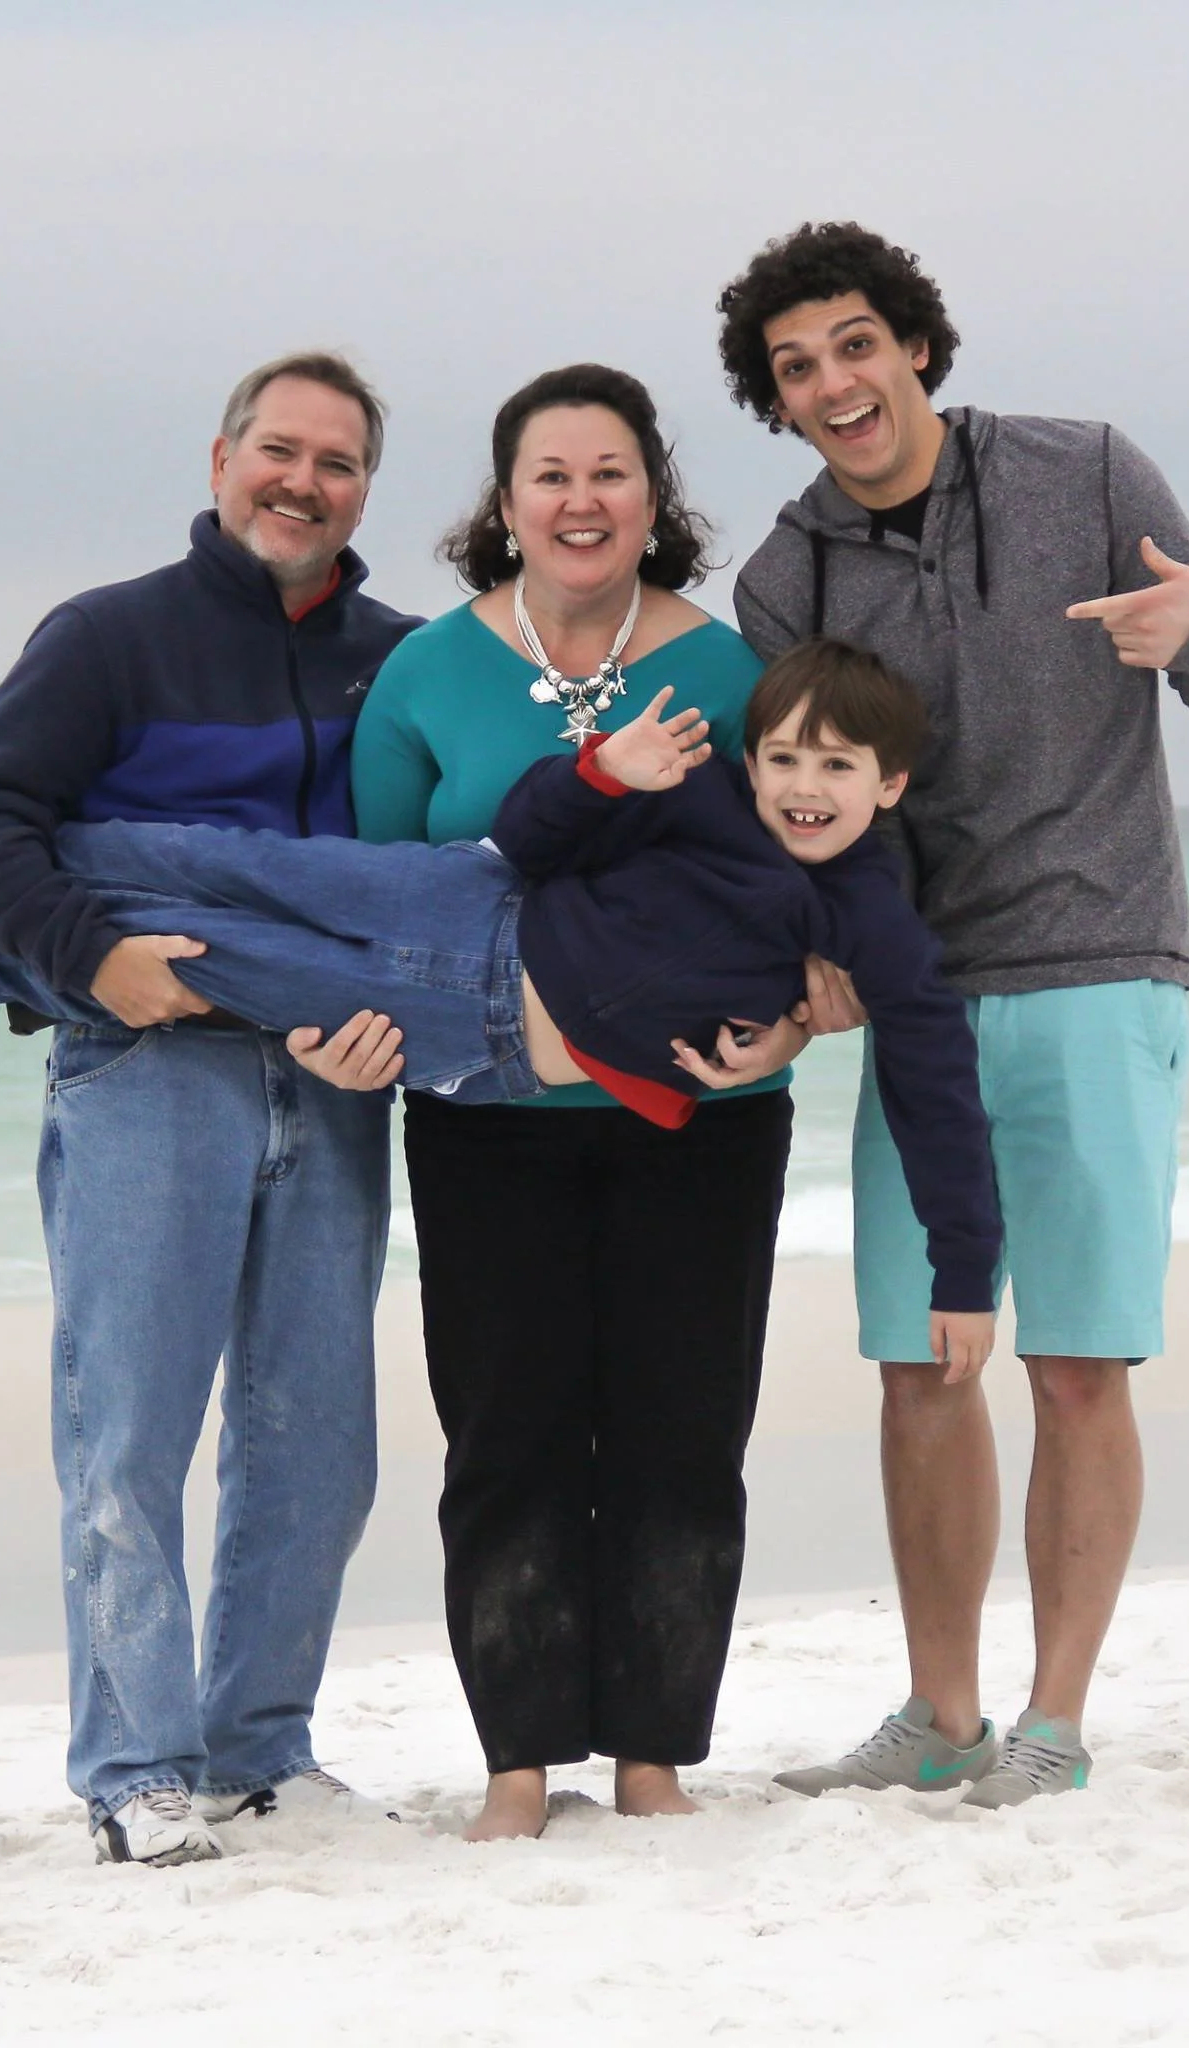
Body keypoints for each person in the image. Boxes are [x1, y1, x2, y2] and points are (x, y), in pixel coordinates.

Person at [0, 354, 423, 1866]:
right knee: (130, 1434)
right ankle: (135, 1766)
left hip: (331, 1084)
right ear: (222, 457)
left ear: (367, 488)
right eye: (277, 451)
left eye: (336, 463)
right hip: (145, 1071)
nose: (302, 482)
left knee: (316, 1444)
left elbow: (420, 872)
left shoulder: (397, 662)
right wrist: (91, 958)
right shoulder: (108, 636)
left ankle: (260, 1748)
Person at [717, 221, 1189, 1806]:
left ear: (911, 344)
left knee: (1077, 1364)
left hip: (1101, 967)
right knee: (919, 1364)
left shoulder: (1087, 473)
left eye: (851, 344)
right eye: (794, 368)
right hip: (924, 1002)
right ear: (777, 402)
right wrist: (808, 971)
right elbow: (804, 817)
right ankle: (941, 1709)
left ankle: (1053, 1720)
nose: (832, 383)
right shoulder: (784, 576)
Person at [0, 647, 1002, 1383]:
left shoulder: (871, 930)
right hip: (464, 899)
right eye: (787, 757)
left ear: (888, 785)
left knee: (209, 954)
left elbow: (938, 1096)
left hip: (476, 1032)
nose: (806, 786)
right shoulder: (697, 799)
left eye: (840, 767)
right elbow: (538, 836)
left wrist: (962, 1279)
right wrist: (605, 767)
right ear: (753, 761)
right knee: (211, 861)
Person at [337, 363, 814, 1840]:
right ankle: (519, 1767)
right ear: (504, 503)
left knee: (681, 1430)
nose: (580, 499)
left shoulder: (730, 672)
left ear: (652, 499)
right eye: (550, 473)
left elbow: (811, 863)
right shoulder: (426, 674)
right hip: (485, 1119)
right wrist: (346, 1035)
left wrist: (801, 1011)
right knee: (507, 1429)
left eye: (609, 472)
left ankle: (655, 1755)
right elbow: (380, 898)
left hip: (705, 1113)